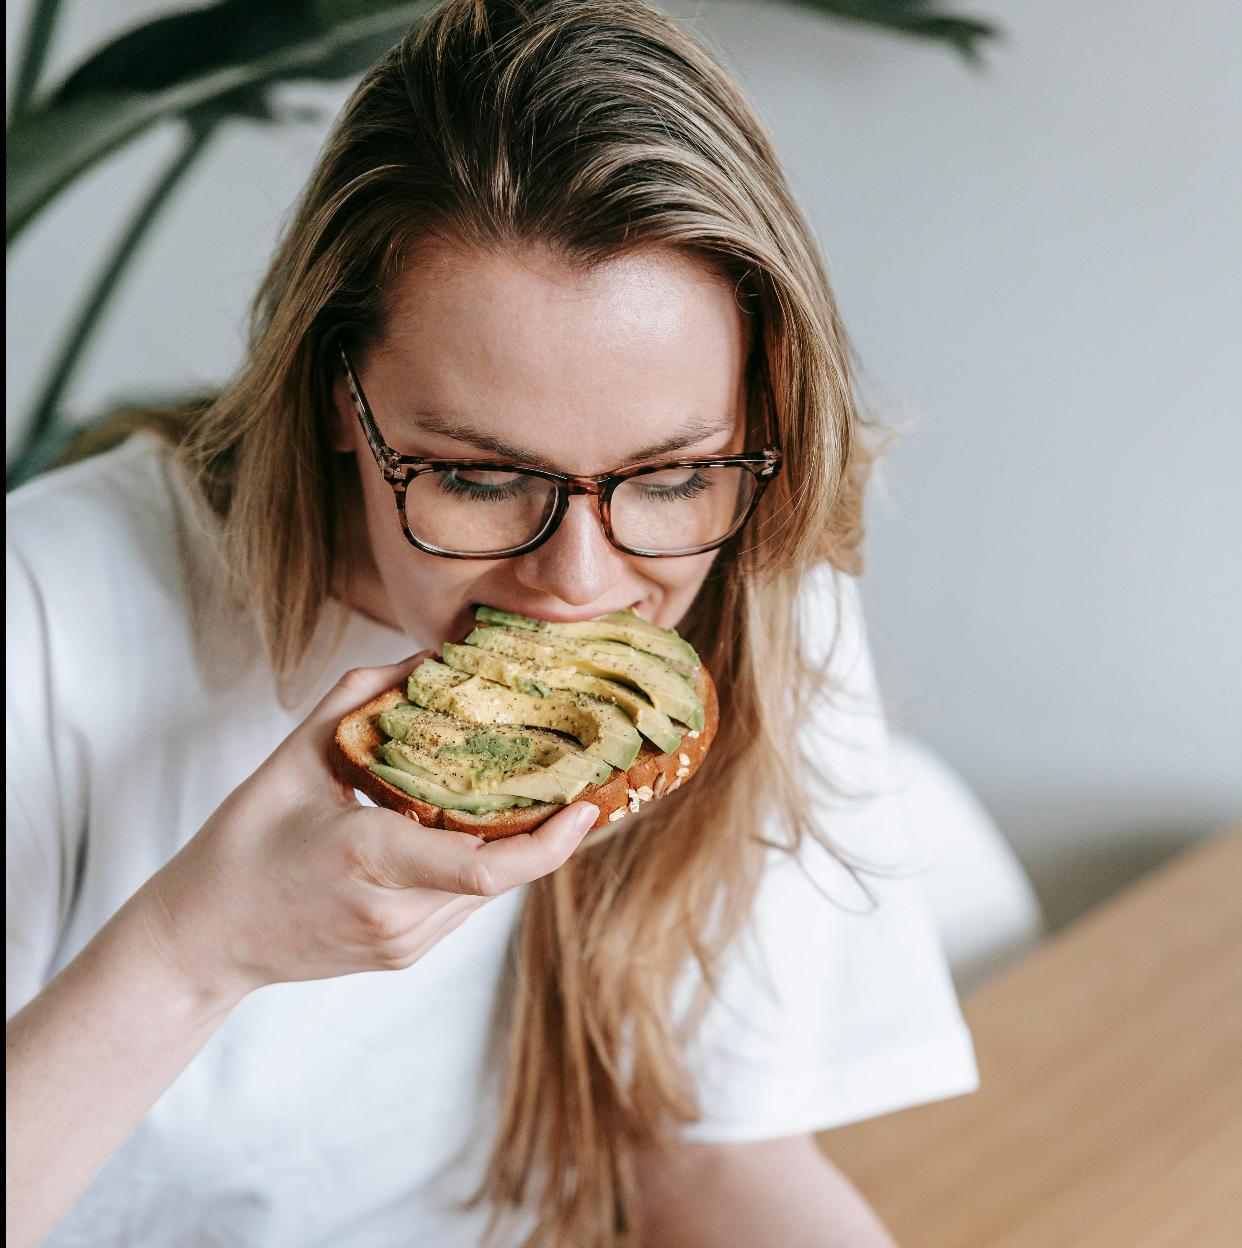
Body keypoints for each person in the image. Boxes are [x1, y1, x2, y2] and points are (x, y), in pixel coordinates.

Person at [5, 2, 978, 1245]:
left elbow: (709, 1164)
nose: (581, 583)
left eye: (673, 475)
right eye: (476, 477)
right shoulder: (49, 610)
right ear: (333, 402)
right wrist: (197, 950)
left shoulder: (758, 594)